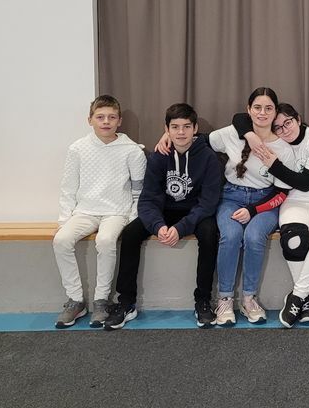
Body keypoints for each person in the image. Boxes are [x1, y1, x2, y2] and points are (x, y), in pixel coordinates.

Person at [104, 103, 221, 330]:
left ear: (195, 128)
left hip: (196, 212)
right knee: (130, 233)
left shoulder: (208, 158)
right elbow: (148, 199)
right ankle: (126, 302)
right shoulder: (159, 157)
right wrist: (158, 226)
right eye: (175, 127)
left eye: (186, 126)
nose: (181, 132)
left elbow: (208, 203)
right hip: (164, 211)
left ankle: (203, 300)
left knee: (209, 233)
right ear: (166, 129)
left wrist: (181, 227)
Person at [235, 103, 309, 328]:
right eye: (278, 127)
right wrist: (250, 135)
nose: (284, 130)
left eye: (288, 123)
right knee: (293, 239)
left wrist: (273, 165)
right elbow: (239, 118)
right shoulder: (276, 141)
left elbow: (305, 183)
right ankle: (307, 299)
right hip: (293, 200)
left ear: (298, 119)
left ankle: (297, 296)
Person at [53, 95, 146, 328]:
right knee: (61, 240)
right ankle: (75, 300)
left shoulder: (132, 150)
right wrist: (64, 220)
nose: (106, 122)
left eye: (111, 117)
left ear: (119, 121)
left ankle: (101, 300)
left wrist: (132, 218)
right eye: (100, 117)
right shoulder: (77, 149)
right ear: (90, 120)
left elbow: (139, 190)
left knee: (105, 241)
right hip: (84, 212)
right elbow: (68, 187)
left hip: (116, 212)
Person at [207, 88, 296, 325]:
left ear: (275, 112)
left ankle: (249, 298)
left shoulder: (283, 147)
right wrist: (166, 137)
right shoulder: (231, 133)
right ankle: (225, 299)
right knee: (231, 235)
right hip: (231, 197)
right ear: (249, 110)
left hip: (264, 202)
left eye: (268, 108)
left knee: (255, 236)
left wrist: (254, 210)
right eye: (257, 107)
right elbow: (202, 140)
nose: (262, 113)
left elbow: (281, 193)